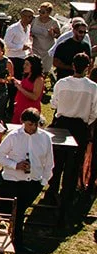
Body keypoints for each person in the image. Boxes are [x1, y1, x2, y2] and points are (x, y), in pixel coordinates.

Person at [0, 109, 54, 244]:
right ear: (23, 122)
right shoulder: (14, 136)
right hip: (12, 181)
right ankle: (2, 243)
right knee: (7, 213)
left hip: (32, 183)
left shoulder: (45, 138)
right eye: (29, 124)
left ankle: (17, 243)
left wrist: (43, 181)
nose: (32, 128)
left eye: (34, 124)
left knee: (20, 214)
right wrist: (15, 165)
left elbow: (49, 162)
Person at [50, 52, 97, 222]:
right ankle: (65, 192)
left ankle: (54, 188)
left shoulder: (62, 83)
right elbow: (94, 112)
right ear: (87, 66)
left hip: (63, 122)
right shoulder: (92, 88)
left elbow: (54, 104)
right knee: (73, 163)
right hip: (78, 126)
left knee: (58, 160)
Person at [30, 2, 60, 66]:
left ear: (48, 13)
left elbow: (58, 35)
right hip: (35, 48)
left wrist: (52, 34)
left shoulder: (54, 22)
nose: (40, 13)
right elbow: (28, 29)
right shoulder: (35, 19)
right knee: (35, 67)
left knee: (45, 68)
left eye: (43, 12)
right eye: (39, 11)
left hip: (47, 49)